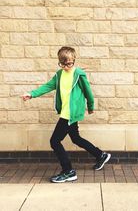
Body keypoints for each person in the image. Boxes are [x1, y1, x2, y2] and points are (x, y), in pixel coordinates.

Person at [22, 46, 111, 183]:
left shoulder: (79, 74)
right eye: (62, 64)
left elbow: (88, 92)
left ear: (74, 60)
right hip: (65, 112)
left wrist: (91, 106)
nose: (66, 67)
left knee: (54, 141)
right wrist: (31, 94)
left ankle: (68, 171)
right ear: (59, 62)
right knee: (75, 138)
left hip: (70, 114)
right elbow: (47, 86)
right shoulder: (59, 75)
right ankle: (100, 155)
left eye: (69, 63)